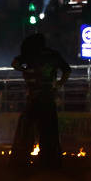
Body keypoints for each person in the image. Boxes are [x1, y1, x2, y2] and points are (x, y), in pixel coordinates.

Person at [10, 33, 71, 168]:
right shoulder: (53, 54)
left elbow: (14, 63)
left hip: (34, 97)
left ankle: (21, 159)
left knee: (26, 129)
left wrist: (24, 69)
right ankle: (50, 160)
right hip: (48, 97)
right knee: (49, 130)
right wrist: (59, 84)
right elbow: (67, 70)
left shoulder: (30, 53)